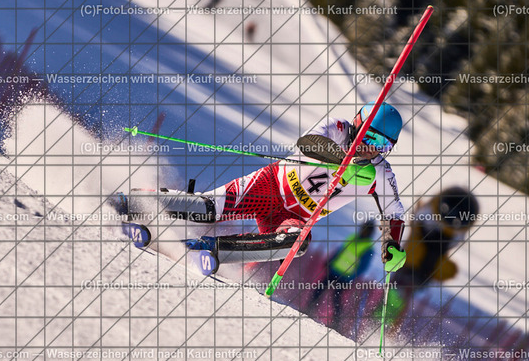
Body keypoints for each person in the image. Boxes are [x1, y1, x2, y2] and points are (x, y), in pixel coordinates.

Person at [121, 101, 408, 269]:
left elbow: (394, 213)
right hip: (270, 186)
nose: (372, 149)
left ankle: (206, 249)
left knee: (297, 243)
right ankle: (133, 201)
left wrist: (392, 244)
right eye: (370, 138)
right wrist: (343, 162)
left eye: (383, 146)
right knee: (209, 209)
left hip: (293, 216)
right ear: (358, 125)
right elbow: (309, 143)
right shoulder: (338, 128)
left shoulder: (380, 174)